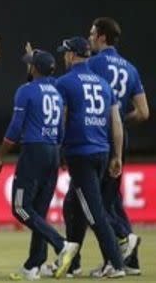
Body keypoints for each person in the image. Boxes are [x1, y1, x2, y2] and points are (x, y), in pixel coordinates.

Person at [0, 48, 79, 280]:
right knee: (38, 211)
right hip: (52, 151)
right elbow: (61, 129)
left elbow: (14, 128)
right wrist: (58, 154)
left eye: (30, 64)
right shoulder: (57, 93)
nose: (27, 67)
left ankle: (61, 245)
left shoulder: (26, 91)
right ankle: (34, 265)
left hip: (34, 152)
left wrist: (0, 155)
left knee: (20, 208)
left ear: (34, 68)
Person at [55, 36, 125, 278]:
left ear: (73, 55)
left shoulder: (64, 83)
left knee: (93, 211)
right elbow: (116, 122)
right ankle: (71, 264)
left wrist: (57, 148)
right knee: (72, 205)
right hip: (102, 152)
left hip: (80, 154)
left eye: (65, 53)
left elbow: (61, 119)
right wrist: (118, 155)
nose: (64, 56)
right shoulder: (104, 84)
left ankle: (115, 263)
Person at [86, 17, 148, 276]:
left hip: (98, 137)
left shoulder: (93, 64)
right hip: (120, 137)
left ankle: (122, 240)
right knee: (112, 200)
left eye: (91, 33)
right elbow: (143, 112)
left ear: (101, 36)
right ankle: (127, 261)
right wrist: (121, 120)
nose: (89, 38)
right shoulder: (130, 69)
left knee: (94, 202)